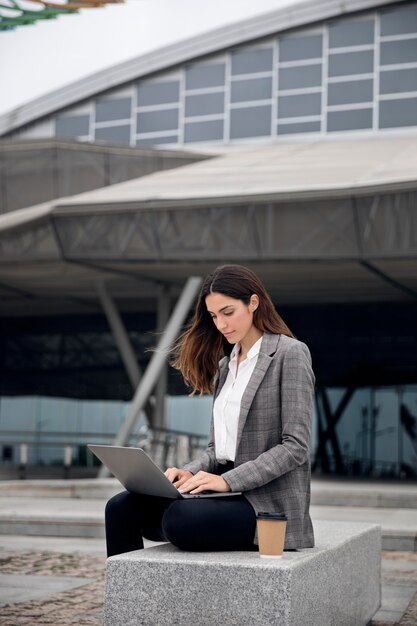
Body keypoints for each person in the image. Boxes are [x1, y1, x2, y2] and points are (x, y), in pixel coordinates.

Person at [105, 264, 315, 557]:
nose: (221, 324)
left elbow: (295, 447)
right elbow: (217, 451)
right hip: (221, 491)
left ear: (253, 303)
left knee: (180, 519)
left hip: (265, 501)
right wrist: (187, 472)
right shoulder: (225, 366)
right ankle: (124, 602)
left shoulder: (289, 354)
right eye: (214, 316)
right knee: (121, 508)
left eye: (228, 312)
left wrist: (228, 480)